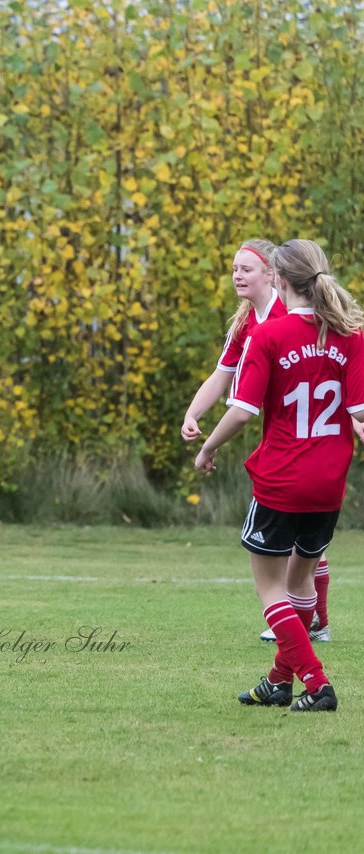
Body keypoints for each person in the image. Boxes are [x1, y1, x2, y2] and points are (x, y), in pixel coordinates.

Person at [194, 238, 364, 712]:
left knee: (271, 589)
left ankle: (316, 683)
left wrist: (207, 447)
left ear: (281, 281)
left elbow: (242, 410)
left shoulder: (269, 336)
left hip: (281, 479)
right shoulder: (351, 336)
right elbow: (360, 412)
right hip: (330, 484)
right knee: (301, 583)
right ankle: (277, 682)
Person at [181, 238, 334, 644]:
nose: (237, 275)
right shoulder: (248, 320)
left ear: (273, 274)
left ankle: (312, 622)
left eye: (246, 268)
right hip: (297, 439)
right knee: (308, 539)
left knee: (300, 545)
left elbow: (247, 406)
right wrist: (193, 413)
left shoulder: (290, 318)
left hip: (298, 441)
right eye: (234, 269)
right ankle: (313, 623)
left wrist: (209, 446)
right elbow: (222, 375)